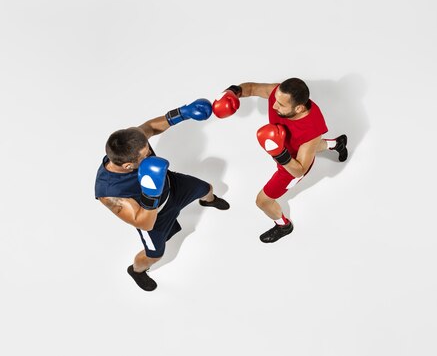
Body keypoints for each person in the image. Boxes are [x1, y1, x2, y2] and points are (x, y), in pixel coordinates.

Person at [94, 98, 230, 291]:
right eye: (144, 155)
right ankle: (137, 271)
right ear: (128, 166)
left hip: (172, 185)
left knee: (206, 188)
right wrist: (152, 193)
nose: (149, 152)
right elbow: (144, 223)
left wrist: (183, 113)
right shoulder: (108, 192)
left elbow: (151, 127)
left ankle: (208, 201)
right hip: (154, 217)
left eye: (147, 148)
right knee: (155, 254)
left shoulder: (133, 142)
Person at [212, 78, 347, 243]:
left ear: (299, 108)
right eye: (276, 99)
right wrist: (233, 91)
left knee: (262, 201)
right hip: (292, 145)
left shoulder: (312, 129)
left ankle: (283, 226)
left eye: (281, 105)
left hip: (291, 167)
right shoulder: (278, 94)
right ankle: (337, 144)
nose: (274, 105)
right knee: (306, 145)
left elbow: (300, 170)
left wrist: (278, 153)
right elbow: (252, 88)